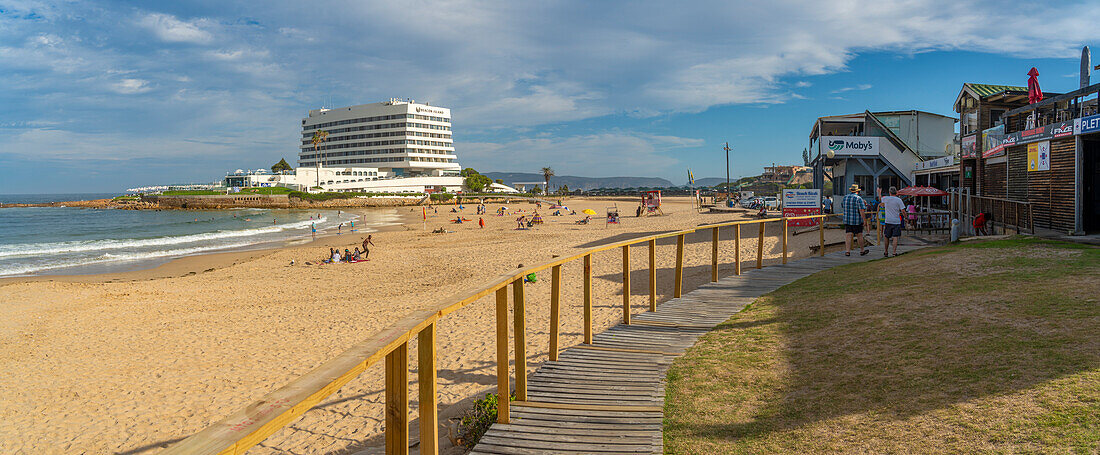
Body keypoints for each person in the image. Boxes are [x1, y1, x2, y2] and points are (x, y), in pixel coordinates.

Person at [842, 184, 868, 256]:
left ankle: (847, 251)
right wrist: (864, 220)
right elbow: (861, 210)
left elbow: (843, 206)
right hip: (857, 220)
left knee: (848, 235)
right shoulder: (858, 198)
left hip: (847, 219)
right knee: (859, 235)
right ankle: (862, 250)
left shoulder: (845, 197)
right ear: (857, 191)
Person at [881, 186, 905, 257]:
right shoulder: (899, 200)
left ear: (889, 192)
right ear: (896, 192)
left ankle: (886, 251)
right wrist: (906, 217)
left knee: (886, 236)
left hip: (888, 220)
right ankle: (894, 252)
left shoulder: (886, 198)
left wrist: (879, 192)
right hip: (896, 221)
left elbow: (880, 199)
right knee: (895, 237)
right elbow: (903, 210)